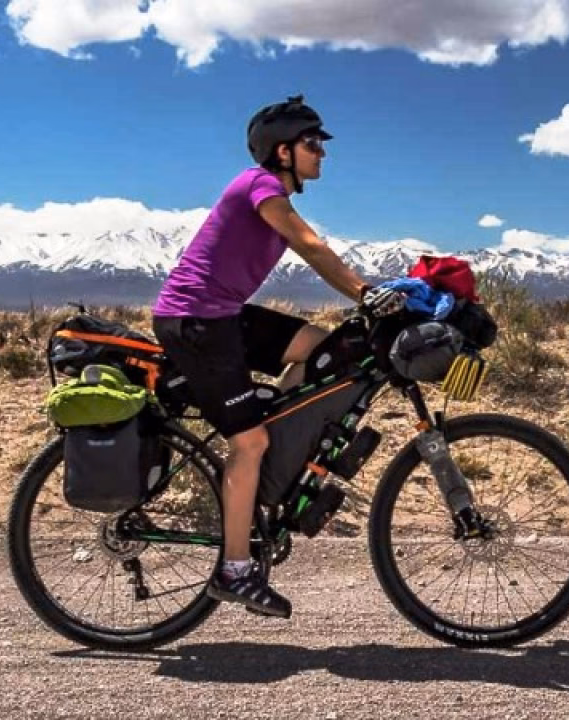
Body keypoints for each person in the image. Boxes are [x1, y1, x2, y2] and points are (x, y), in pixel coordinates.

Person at [151, 95, 405, 618]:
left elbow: (311, 250)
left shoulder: (273, 193)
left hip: (223, 315)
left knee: (321, 347)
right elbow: (310, 247)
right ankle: (234, 570)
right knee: (248, 442)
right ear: (282, 151)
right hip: (196, 322)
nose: (322, 153)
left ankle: (272, 438)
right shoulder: (259, 186)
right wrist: (364, 293)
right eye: (313, 143)